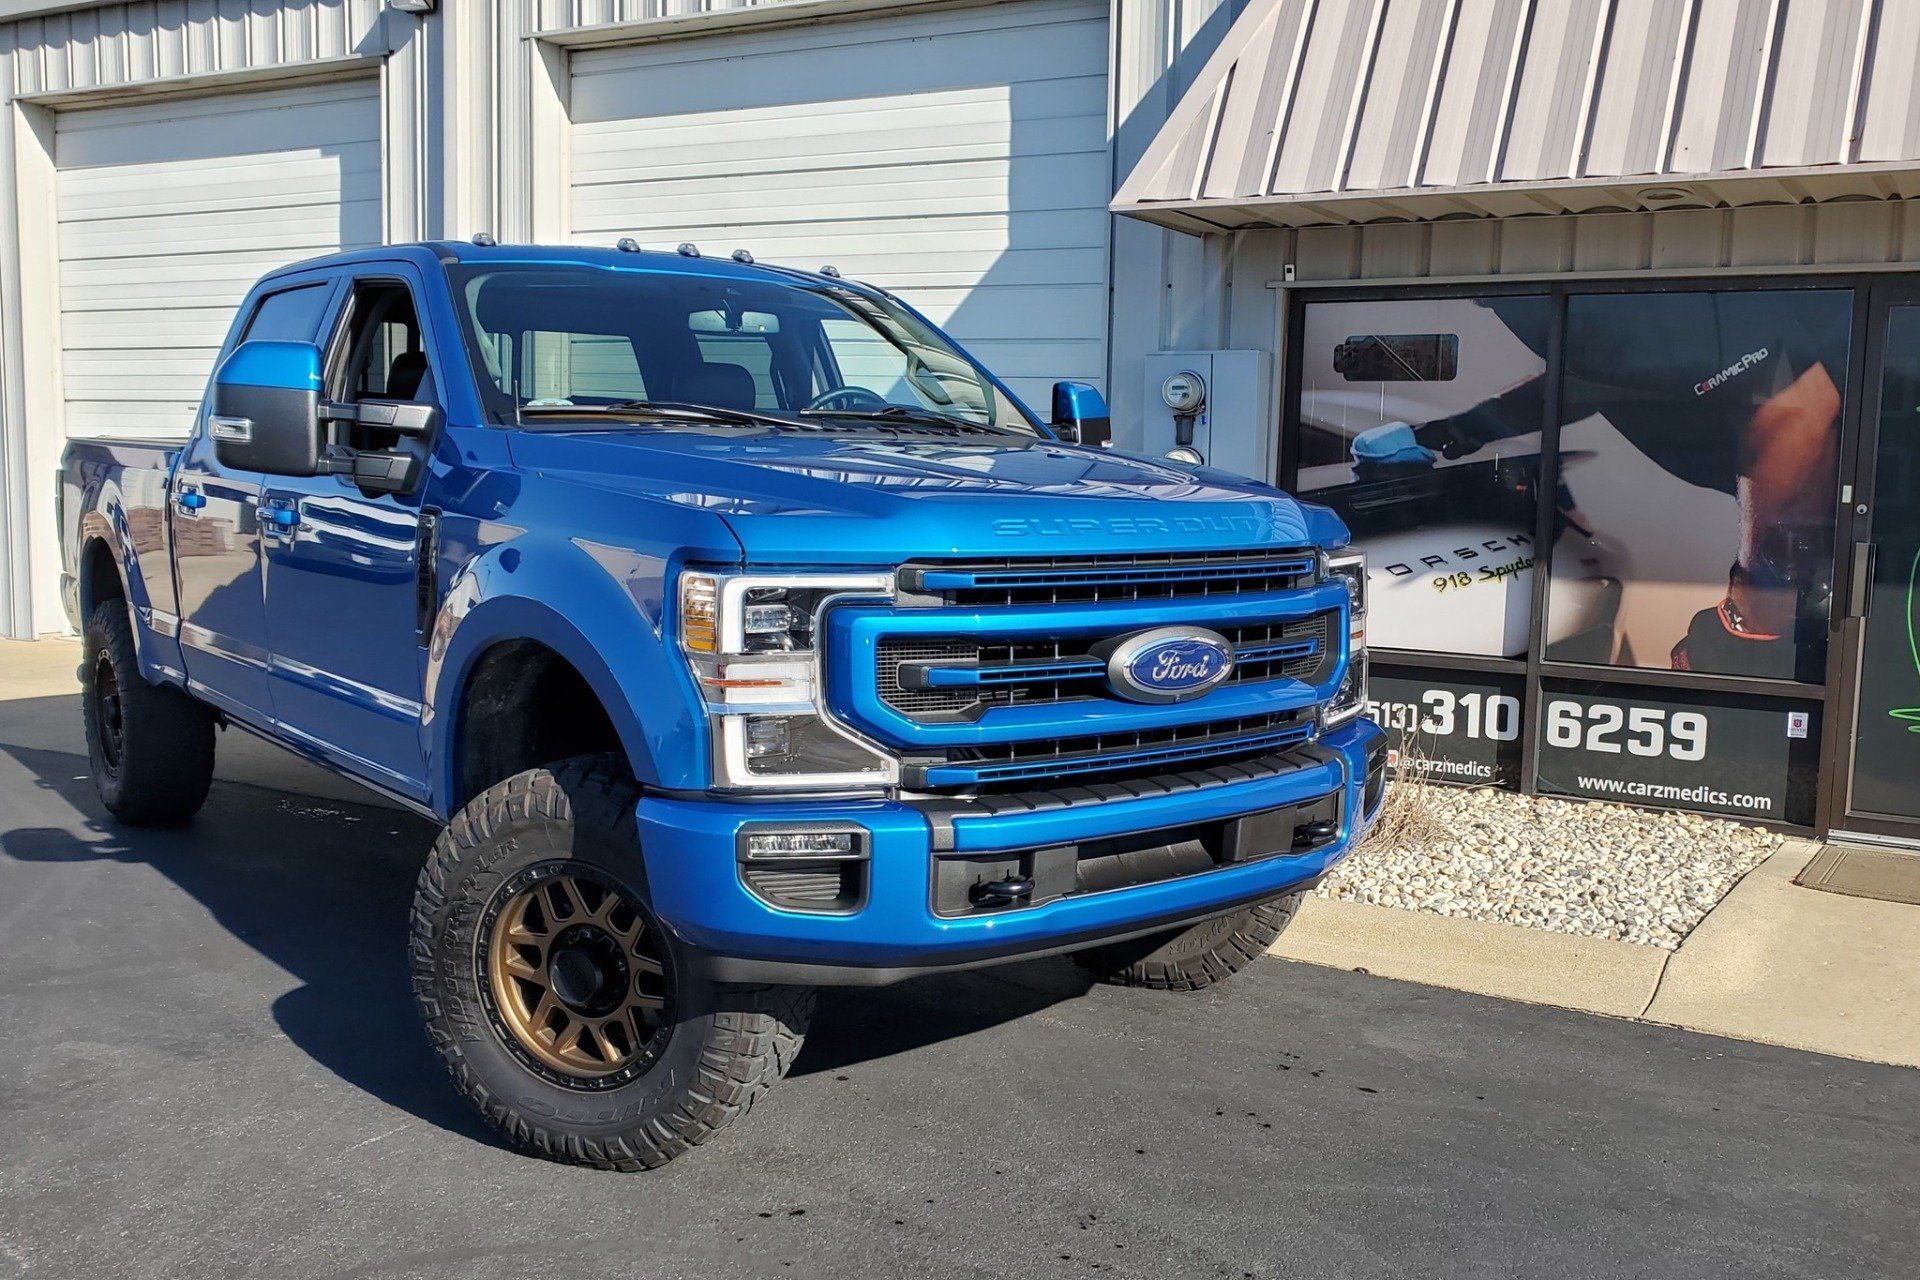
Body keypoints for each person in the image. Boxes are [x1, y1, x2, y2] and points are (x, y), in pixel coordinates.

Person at [1349, 294, 1842, 680]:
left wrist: (1755, 603)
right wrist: (1460, 429)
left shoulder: (1725, 332)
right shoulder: (1646, 346)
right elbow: (1595, 381)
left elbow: (1802, 412)